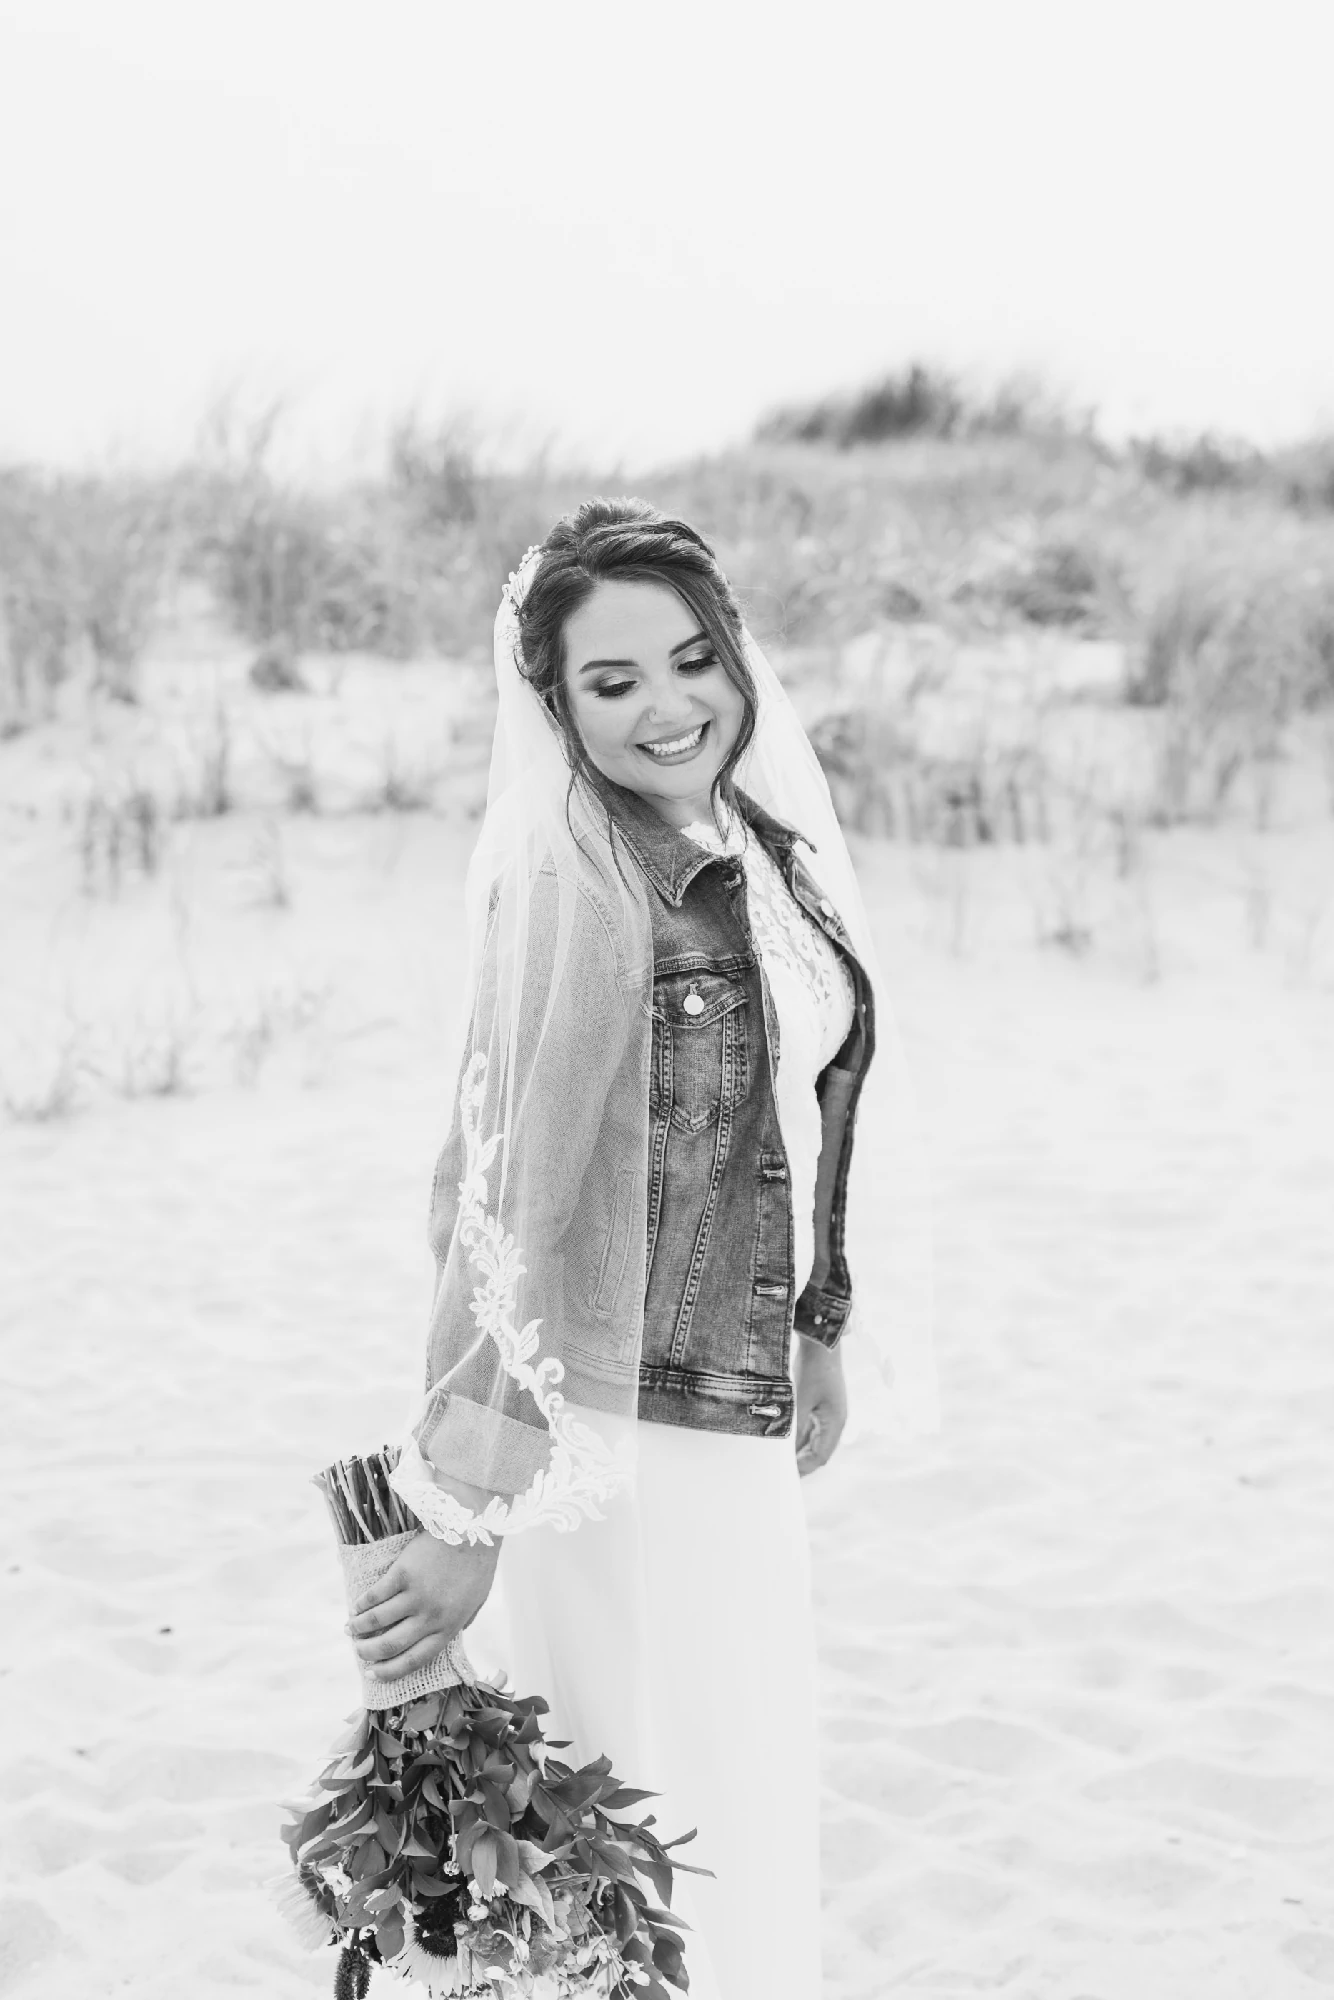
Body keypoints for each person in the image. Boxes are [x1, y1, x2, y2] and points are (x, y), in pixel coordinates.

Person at [345, 499, 936, 2000]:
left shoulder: (753, 840)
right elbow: (508, 1208)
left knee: (728, 1794)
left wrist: (818, 1324)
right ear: (553, 703)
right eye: (613, 683)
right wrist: (467, 1515)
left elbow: (807, 1105)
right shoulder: (574, 881)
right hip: (601, 1442)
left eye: (692, 660)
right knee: (647, 1819)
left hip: (724, 1412)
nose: (670, 706)